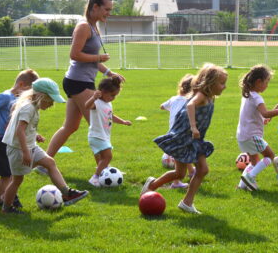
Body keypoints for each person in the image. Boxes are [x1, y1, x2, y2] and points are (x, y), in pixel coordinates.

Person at [43, 0, 125, 174]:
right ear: (95, 7)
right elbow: (75, 54)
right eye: (106, 9)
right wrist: (98, 57)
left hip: (79, 81)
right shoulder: (84, 27)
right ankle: (103, 172)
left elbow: (93, 61)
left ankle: (44, 163)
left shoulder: (94, 27)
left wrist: (109, 72)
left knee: (70, 126)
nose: (109, 13)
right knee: (97, 126)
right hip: (78, 82)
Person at [141, 63, 228, 214]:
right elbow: (190, 105)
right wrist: (193, 127)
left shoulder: (211, 97)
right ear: (210, 83)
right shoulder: (200, 95)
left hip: (196, 140)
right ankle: (153, 185)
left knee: (201, 170)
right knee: (181, 174)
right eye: (221, 83)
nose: (224, 87)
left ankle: (186, 202)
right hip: (184, 138)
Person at [1, 78, 89, 214]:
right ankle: (6, 208)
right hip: (19, 149)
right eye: (51, 100)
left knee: (49, 162)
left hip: (30, 145)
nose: (51, 104)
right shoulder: (28, 108)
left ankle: (67, 194)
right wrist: (25, 152)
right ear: (41, 96)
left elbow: (25, 127)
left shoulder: (32, 106)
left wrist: (35, 135)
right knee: (17, 180)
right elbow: (19, 130)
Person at [0, 69, 39, 207]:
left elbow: (19, 123)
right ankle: (8, 200)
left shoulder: (19, 100)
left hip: (10, 141)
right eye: (29, 90)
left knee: (7, 173)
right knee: (7, 173)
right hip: (1, 139)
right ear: (21, 84)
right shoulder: (5, 96)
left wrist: (35, 135)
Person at [237, 65, 278, 191]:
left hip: (242, 136)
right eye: (266, 82)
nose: (267, 85)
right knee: (270, 156)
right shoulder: (257, 97)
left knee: (254, 161)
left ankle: (242, 185)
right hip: (252, 136)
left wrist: (263, 120)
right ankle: (250, 177)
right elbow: (265, 113)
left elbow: (251, 114)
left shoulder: (248, 95)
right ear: (258, 82)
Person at [85, 76, 132, 187]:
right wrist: (93, 98)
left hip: (103, 136)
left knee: (102, 159)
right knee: (108, 157)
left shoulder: (108, 104)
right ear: (102, 92)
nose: (113, 98)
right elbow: (86, 106)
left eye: (115, 95)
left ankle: (107, 173)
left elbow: (111, 116)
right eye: (112, 95)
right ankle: (95, 177)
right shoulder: (97, 103)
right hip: (97, 135)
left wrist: (123, 122)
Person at [160, 74, 196, 189]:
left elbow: (162, 106)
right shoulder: (191, 101)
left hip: (172, 132)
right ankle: (175, 183)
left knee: (184, 153)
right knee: (182, 155)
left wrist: (170, 108)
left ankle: (191, 172)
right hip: (183, 132)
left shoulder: (173, 99)